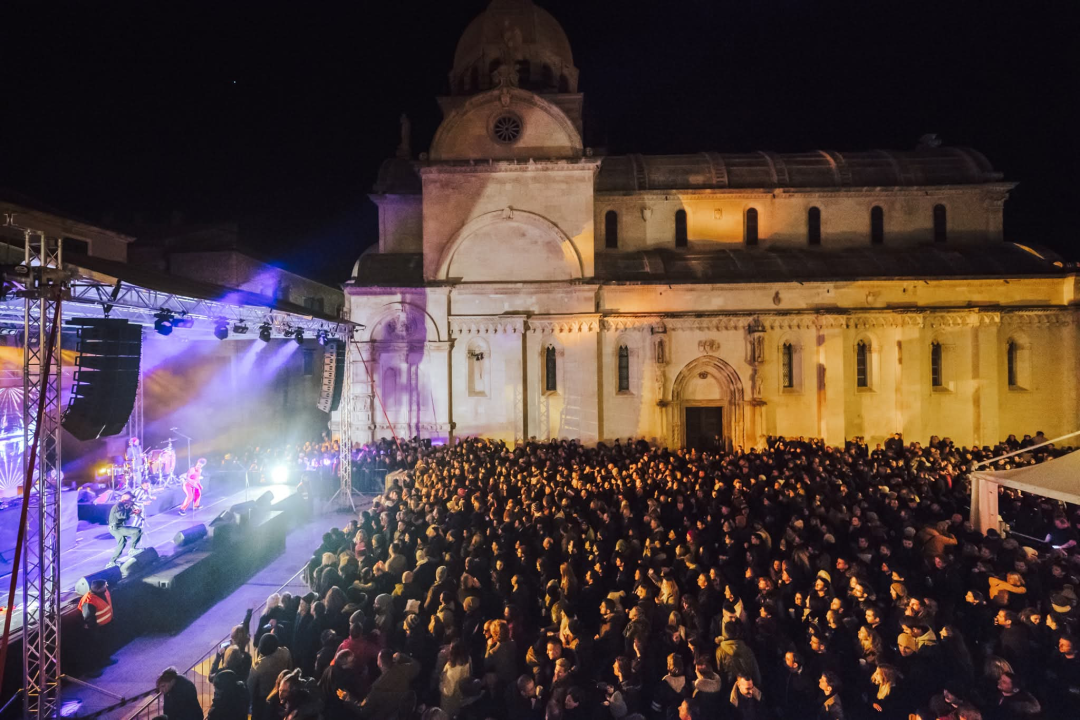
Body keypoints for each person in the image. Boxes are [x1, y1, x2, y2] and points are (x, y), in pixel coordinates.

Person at [359, 649, 420, 720]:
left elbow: (364, 711)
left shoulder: (376, 688)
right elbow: (417, 665)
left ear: (380, 664)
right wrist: (401, 656)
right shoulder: (404, 669)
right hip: (402, 709)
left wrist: (349, 701)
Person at [78, 578, 113, 673]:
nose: (106, 586)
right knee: (94, 649)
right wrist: (94, 630)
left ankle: (105, 660)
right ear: (98, 589)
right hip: (95, 629)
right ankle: (93, 670)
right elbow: (88, 618)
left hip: (105, 625)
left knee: (104, 645)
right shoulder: (89, 600)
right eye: (104, 585)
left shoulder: (104, 592)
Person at [107, 493, 142, 567]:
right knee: (137, 530)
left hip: (117, 527)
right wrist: (129, 509)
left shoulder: (123, 506)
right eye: (130, 500)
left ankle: (111, 562)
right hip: (116, 528)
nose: (131, 501)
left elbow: (126, 517)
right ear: (124, 500)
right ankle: (132, 549)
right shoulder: (118, 505)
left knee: (122, 543)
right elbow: (121, 516)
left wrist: (132, 511)